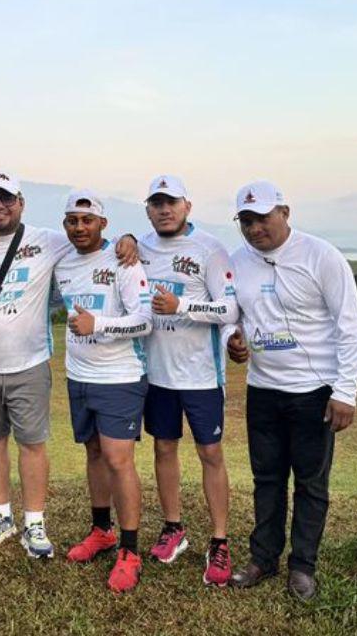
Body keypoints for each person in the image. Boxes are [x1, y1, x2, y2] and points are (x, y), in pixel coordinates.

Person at [0, 171, 138, 559]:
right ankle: (0, 515)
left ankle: (34, 521)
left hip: (29, 363)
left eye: (7, 199)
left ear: (21, 203)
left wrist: (130, 240)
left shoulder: (48, 241)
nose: (0, 205)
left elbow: (93, 240)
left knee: (32, 443)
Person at [224, 180, 357, 600]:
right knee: (266, 478)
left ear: (285, 213)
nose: (254, 229)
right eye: (245, 221)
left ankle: (302, 567)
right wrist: (233, 339)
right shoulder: (237, 262)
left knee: (310, 483)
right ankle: (262, 559)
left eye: (262, 218)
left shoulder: (321, 256)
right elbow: (232, 317)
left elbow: (351, 325)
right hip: (263, 389)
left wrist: (345, 391)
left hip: (314, 391)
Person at [138, 174, 239, 586]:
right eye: (157, 204)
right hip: (156, 373)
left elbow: (229, 309)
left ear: (187, 207)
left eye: (171, 203)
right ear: (148, 209)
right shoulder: (140, 247)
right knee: (164, 447)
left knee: (210, 453)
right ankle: (173, 527)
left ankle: (219, 541)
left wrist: (183, 305)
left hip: (201, 375)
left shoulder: (211, 249)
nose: (164, 210)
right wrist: (125, 238)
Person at [54, 190, 152, 593]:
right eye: (73, 221)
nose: (80, 227)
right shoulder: (62, 263)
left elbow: (144, 320)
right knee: (93, 451)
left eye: (87, 220)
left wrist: (101, 326)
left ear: (103, 224)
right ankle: (102, 532)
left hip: (119, 376)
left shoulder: (123, 260)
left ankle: (130, 550)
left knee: (117, 458)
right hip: (79, 375)